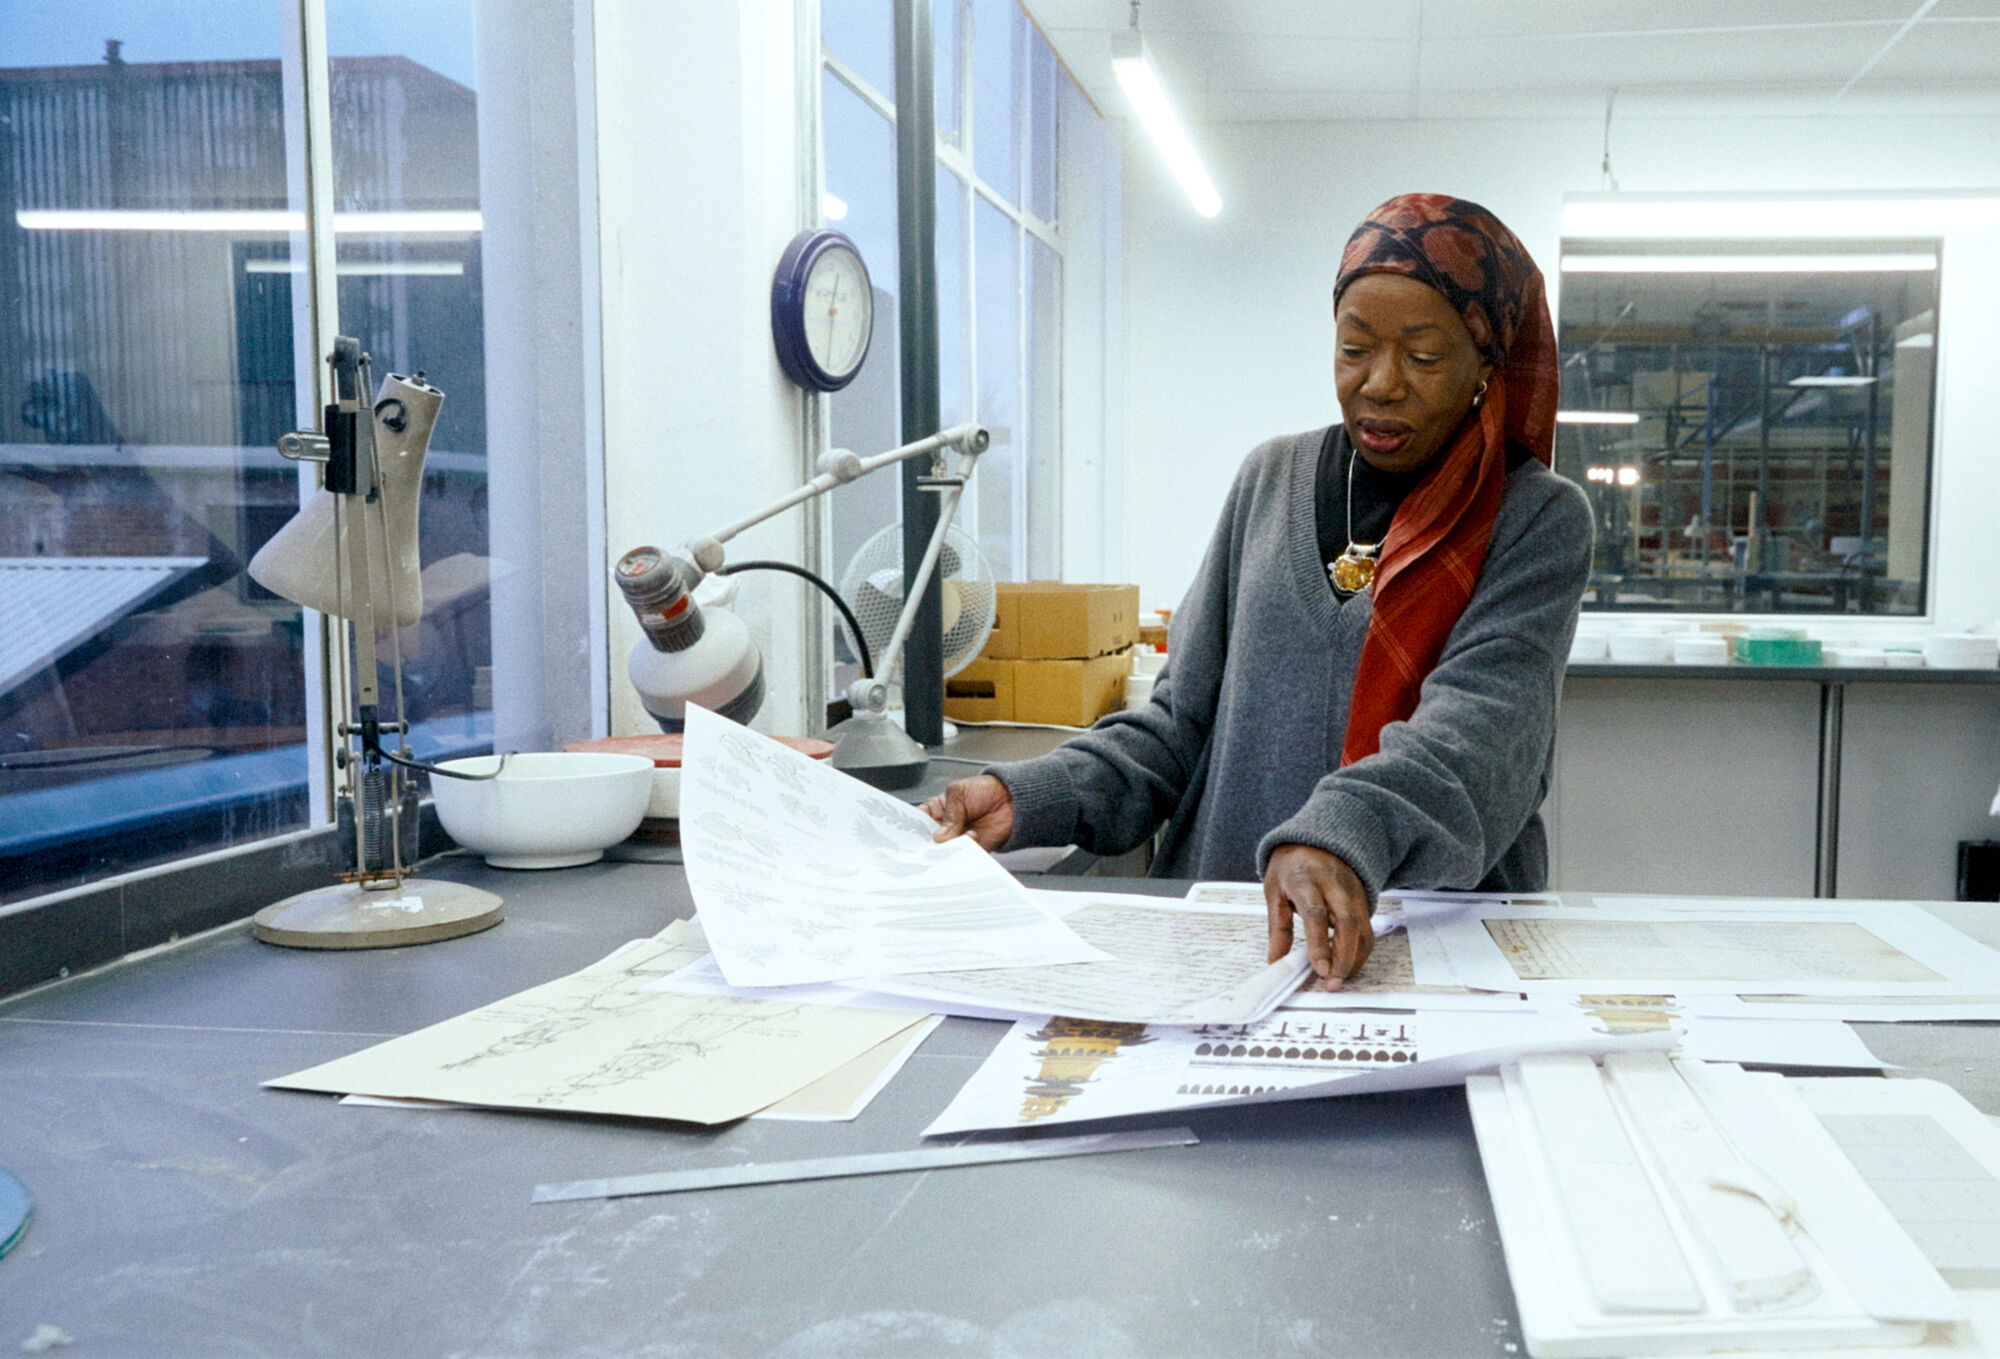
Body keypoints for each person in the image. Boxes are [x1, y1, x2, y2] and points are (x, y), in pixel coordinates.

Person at [924, 193, 1592, 987]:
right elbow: (1179, 725)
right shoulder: (1269, 480)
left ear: (1486, 364)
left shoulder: (1536, 516)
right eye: (1354, 348)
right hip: (1236, 939)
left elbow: (1477, 747)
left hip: (1420, 949)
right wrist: (1027, 792)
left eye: (1422, 356)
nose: (1380, 384)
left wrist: (1341, 833)